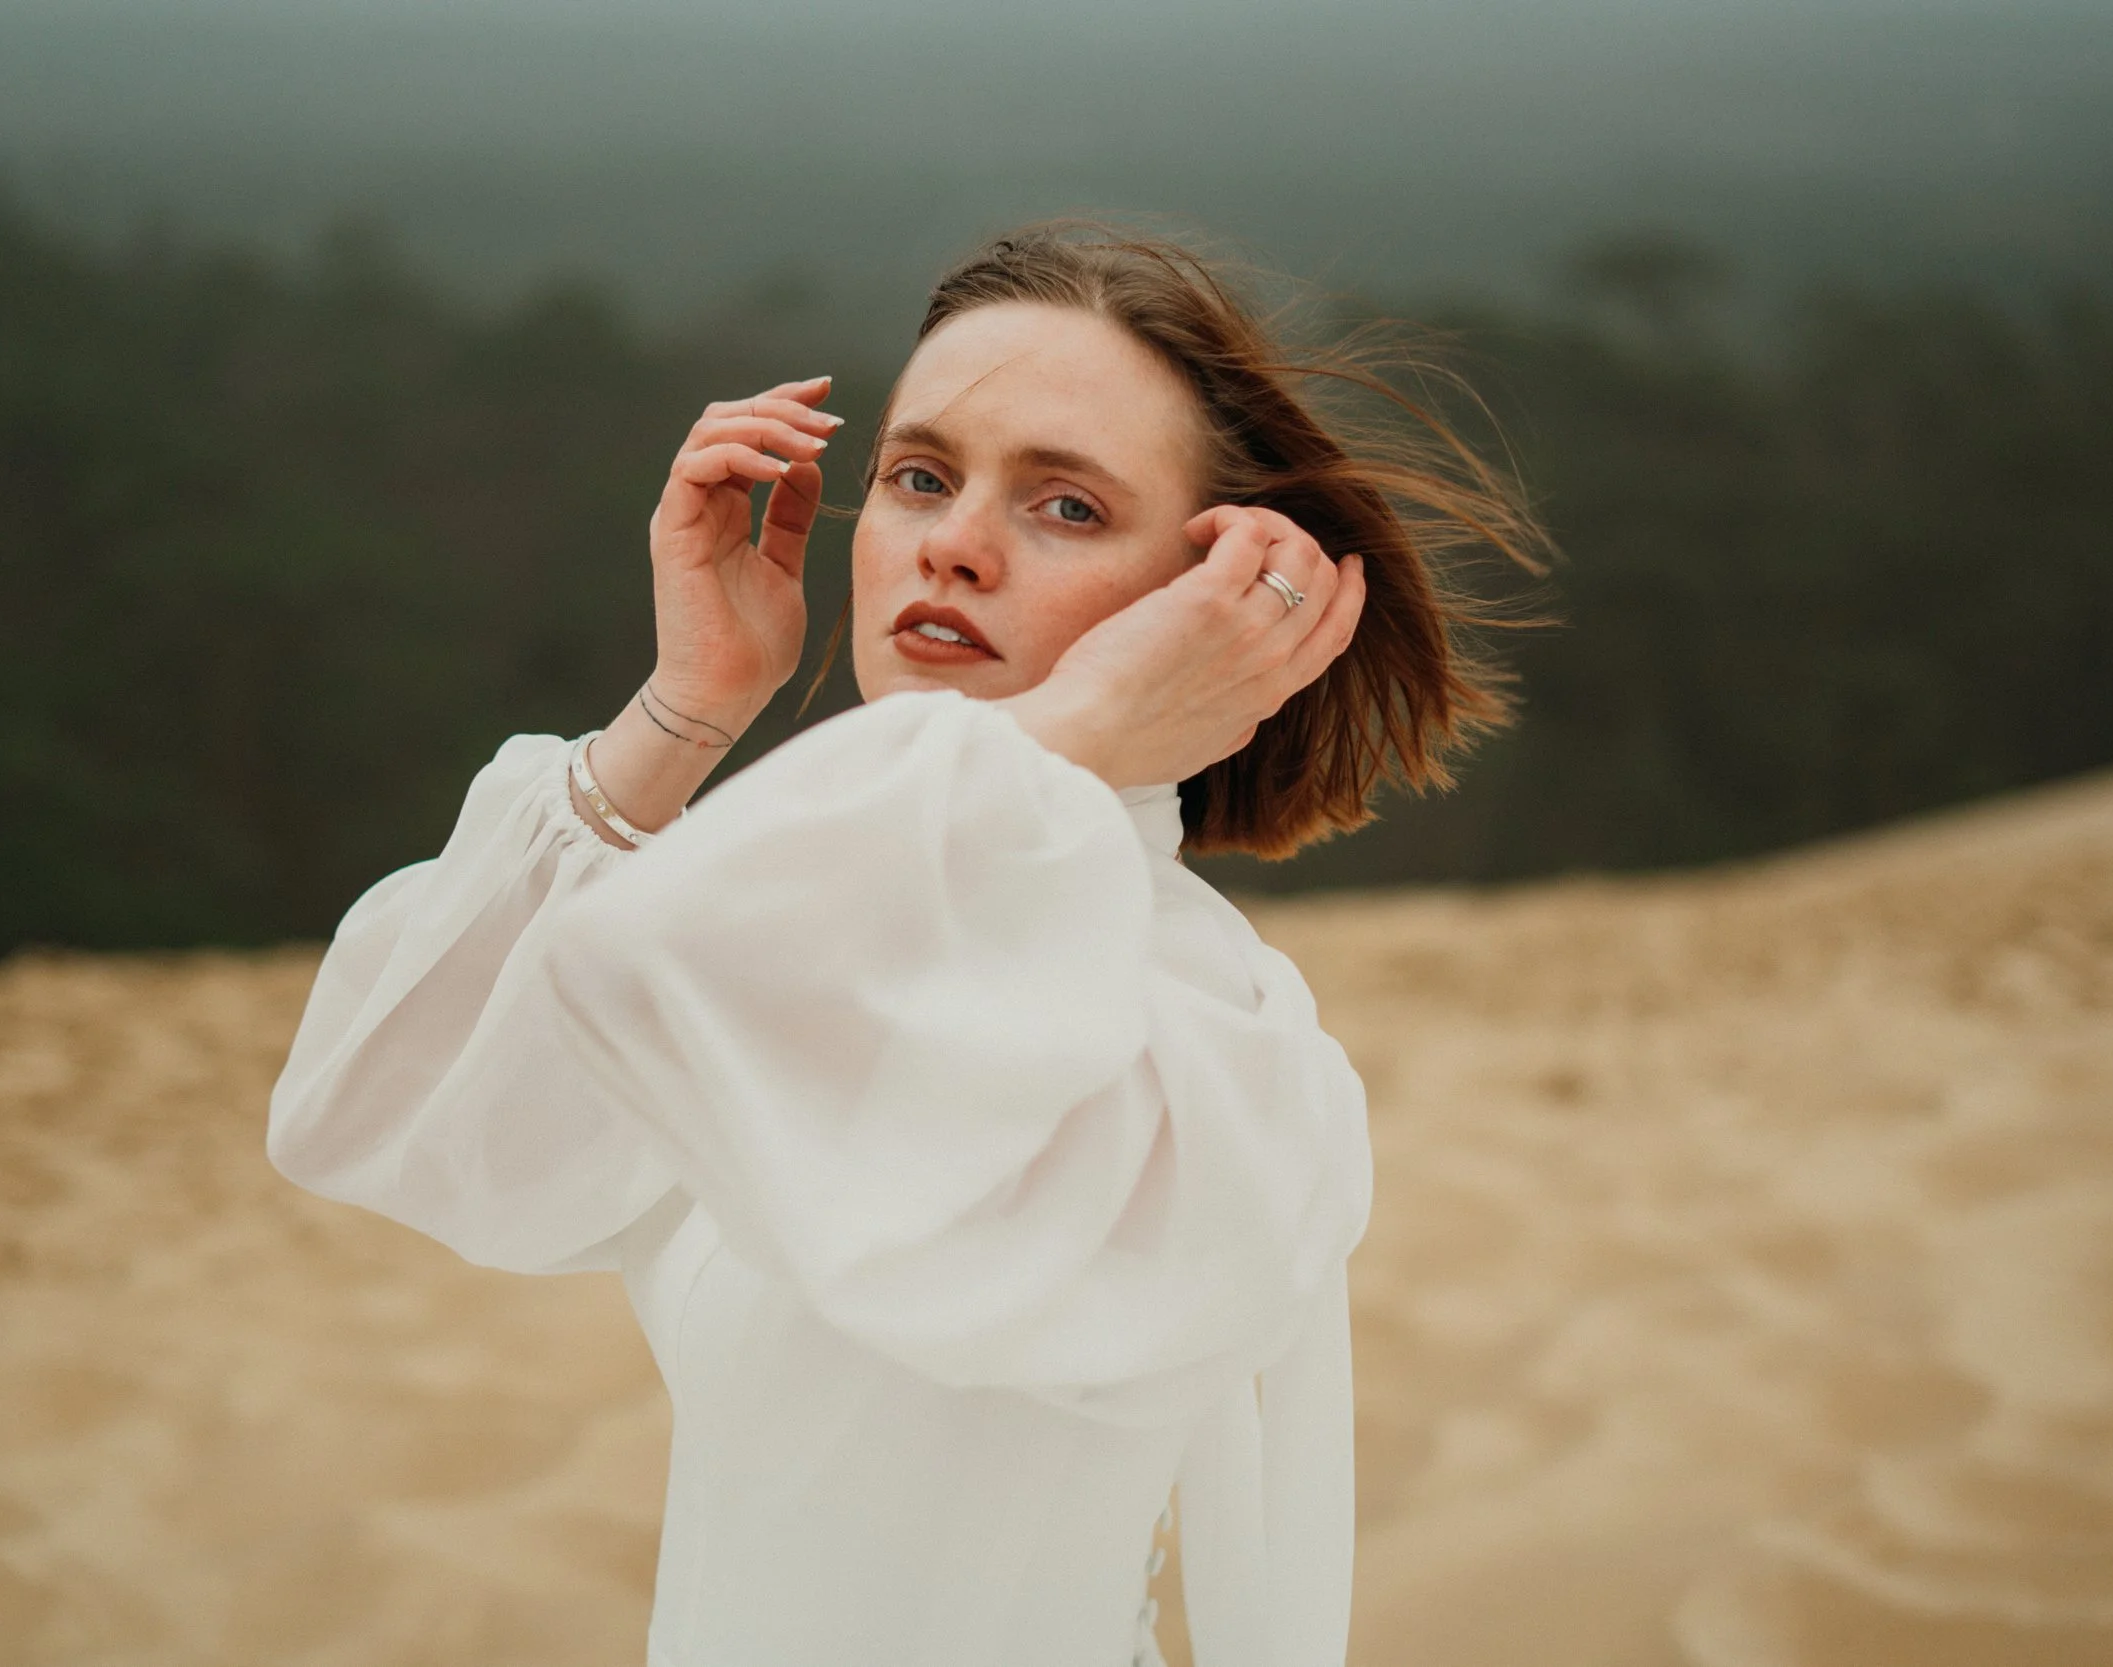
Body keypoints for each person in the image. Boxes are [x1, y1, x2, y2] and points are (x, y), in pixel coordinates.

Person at [268, 226, 1541, 1667]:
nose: (955, 543)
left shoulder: (1205, 1037)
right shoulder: (825, 929)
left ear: (1203, 596)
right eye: (920, 477)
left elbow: (668, 957)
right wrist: (695, 696)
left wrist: (1084, 730)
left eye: (1066, 505)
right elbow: (381, 1115)